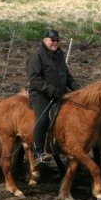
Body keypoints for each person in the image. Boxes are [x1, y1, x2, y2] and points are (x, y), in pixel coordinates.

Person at [27, 29, 79, 163]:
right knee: (43, 118)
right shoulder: (37, 56)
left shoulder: (60, 55)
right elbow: (34, 79)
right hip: (40, 95)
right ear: (45, 40)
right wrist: (50, 90)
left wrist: (77, 89)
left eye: (57, 40)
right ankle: (38, 153)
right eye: (52, 40)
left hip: (60, 93)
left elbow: (66, 75)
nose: (55, 42)